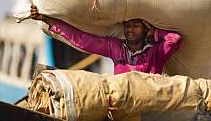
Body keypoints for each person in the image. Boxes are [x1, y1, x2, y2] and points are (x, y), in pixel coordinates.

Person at [30, 5, 182, 74]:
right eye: (127, 25)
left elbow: (174, 40)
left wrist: (155, 32)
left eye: (135, 26)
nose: (129, 30)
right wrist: (46, 19)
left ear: (145, 30)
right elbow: (81, 39)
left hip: (147, 105)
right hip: (120, 105)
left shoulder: (156, 52)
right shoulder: (115, 47)